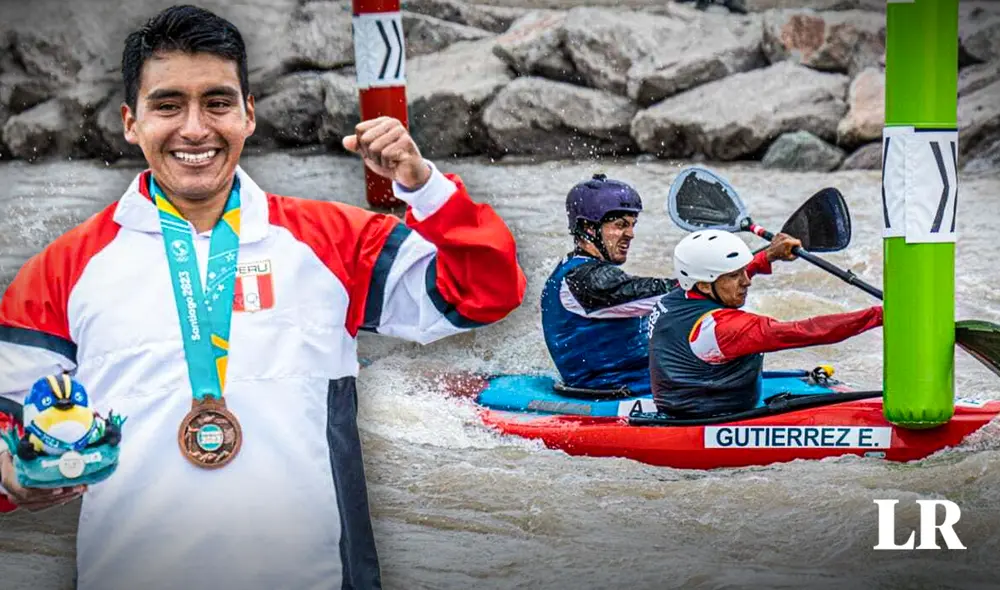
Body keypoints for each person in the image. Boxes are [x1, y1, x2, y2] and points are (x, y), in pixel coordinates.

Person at [0, 5, 525, 590]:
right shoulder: (65, 269)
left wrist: (423, 188)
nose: (194, 129)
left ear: (248, 114)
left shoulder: (336, 242)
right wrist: (13, 477)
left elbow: (485, 293)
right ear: (131, 121)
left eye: (217, 103)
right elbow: (5, 424)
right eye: (168, 105)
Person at [648, 229, 883, 419]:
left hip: (679, 404)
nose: (747, 281)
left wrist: (769, 255)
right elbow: (807, 331)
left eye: (743, 271)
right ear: (704, 285)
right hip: (714, 417)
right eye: (735, 276)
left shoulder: (678, 294)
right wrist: (879, 315)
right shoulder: (723, 329)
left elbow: (722, 277)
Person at [541, 174, 678, 395]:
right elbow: (664, 294)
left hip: (635, 379)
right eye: (620, 225)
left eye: (632, 225)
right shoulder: (584, 278)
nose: (630, 234)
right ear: (588, 228)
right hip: (616, 388)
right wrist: (710, 281)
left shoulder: (575, 267)